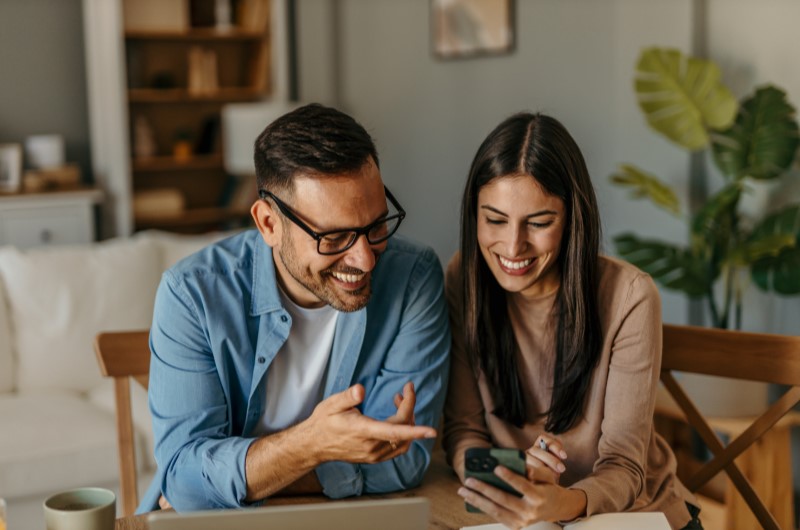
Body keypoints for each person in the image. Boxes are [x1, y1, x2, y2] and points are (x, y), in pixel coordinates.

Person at [140, 103, 450, 513]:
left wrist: (246, 479)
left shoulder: (413, 278)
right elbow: (183, 477)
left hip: (347, 520)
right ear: (268, 223)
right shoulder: (192, 295)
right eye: (335, 237)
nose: (366, 259)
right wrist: (313, 445)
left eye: (375, 226)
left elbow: (403, 460)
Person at [442, 112, 702, 530]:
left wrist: (558, 503)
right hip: (525, 517)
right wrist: (511, 480)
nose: (512, 246)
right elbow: (464, 432)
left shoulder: (630, 296)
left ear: (572, 218)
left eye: (540, 223)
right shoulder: (463, 279)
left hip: (632, 515)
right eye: (494, 220)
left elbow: (624, 468)